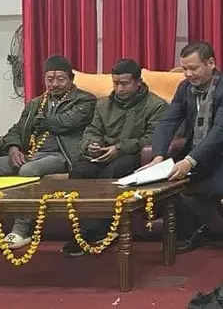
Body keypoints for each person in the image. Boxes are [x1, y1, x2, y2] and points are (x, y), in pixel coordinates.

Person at [139, 42, 223, 253]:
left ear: (210, 63)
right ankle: (192, 232)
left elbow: (220, 131)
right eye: (184, 69)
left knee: (221, 189)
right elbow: (168, 122)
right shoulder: (185, 88)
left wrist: (189, 161)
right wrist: (158, 156)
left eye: (193, 68)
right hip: (199, 153)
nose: (188, 74)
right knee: (170, 186)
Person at [61, 58, 167, 257]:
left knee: (114, 171)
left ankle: (96, 232)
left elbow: (153, 139)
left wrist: (119, 147)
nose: (119, 89)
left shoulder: (156, 105)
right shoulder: (103, 104)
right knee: (79, 171)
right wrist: (91, 145)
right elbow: (92, 130)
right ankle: (82, 230)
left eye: (124, 84)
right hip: (104, 154)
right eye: (115, 83)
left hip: (133, 156)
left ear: (138, 82)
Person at [0, 55, 97, 249]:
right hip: (31, 153)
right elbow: (17, 129)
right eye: (49, 79)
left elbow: (68, 122)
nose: (54, 84)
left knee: (28, 170)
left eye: (60, 79)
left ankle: (20, 230)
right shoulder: (36, 103)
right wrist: (13, 148)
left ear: (71, 79)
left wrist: (45, 121)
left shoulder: (85, 100)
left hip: (60, 156)